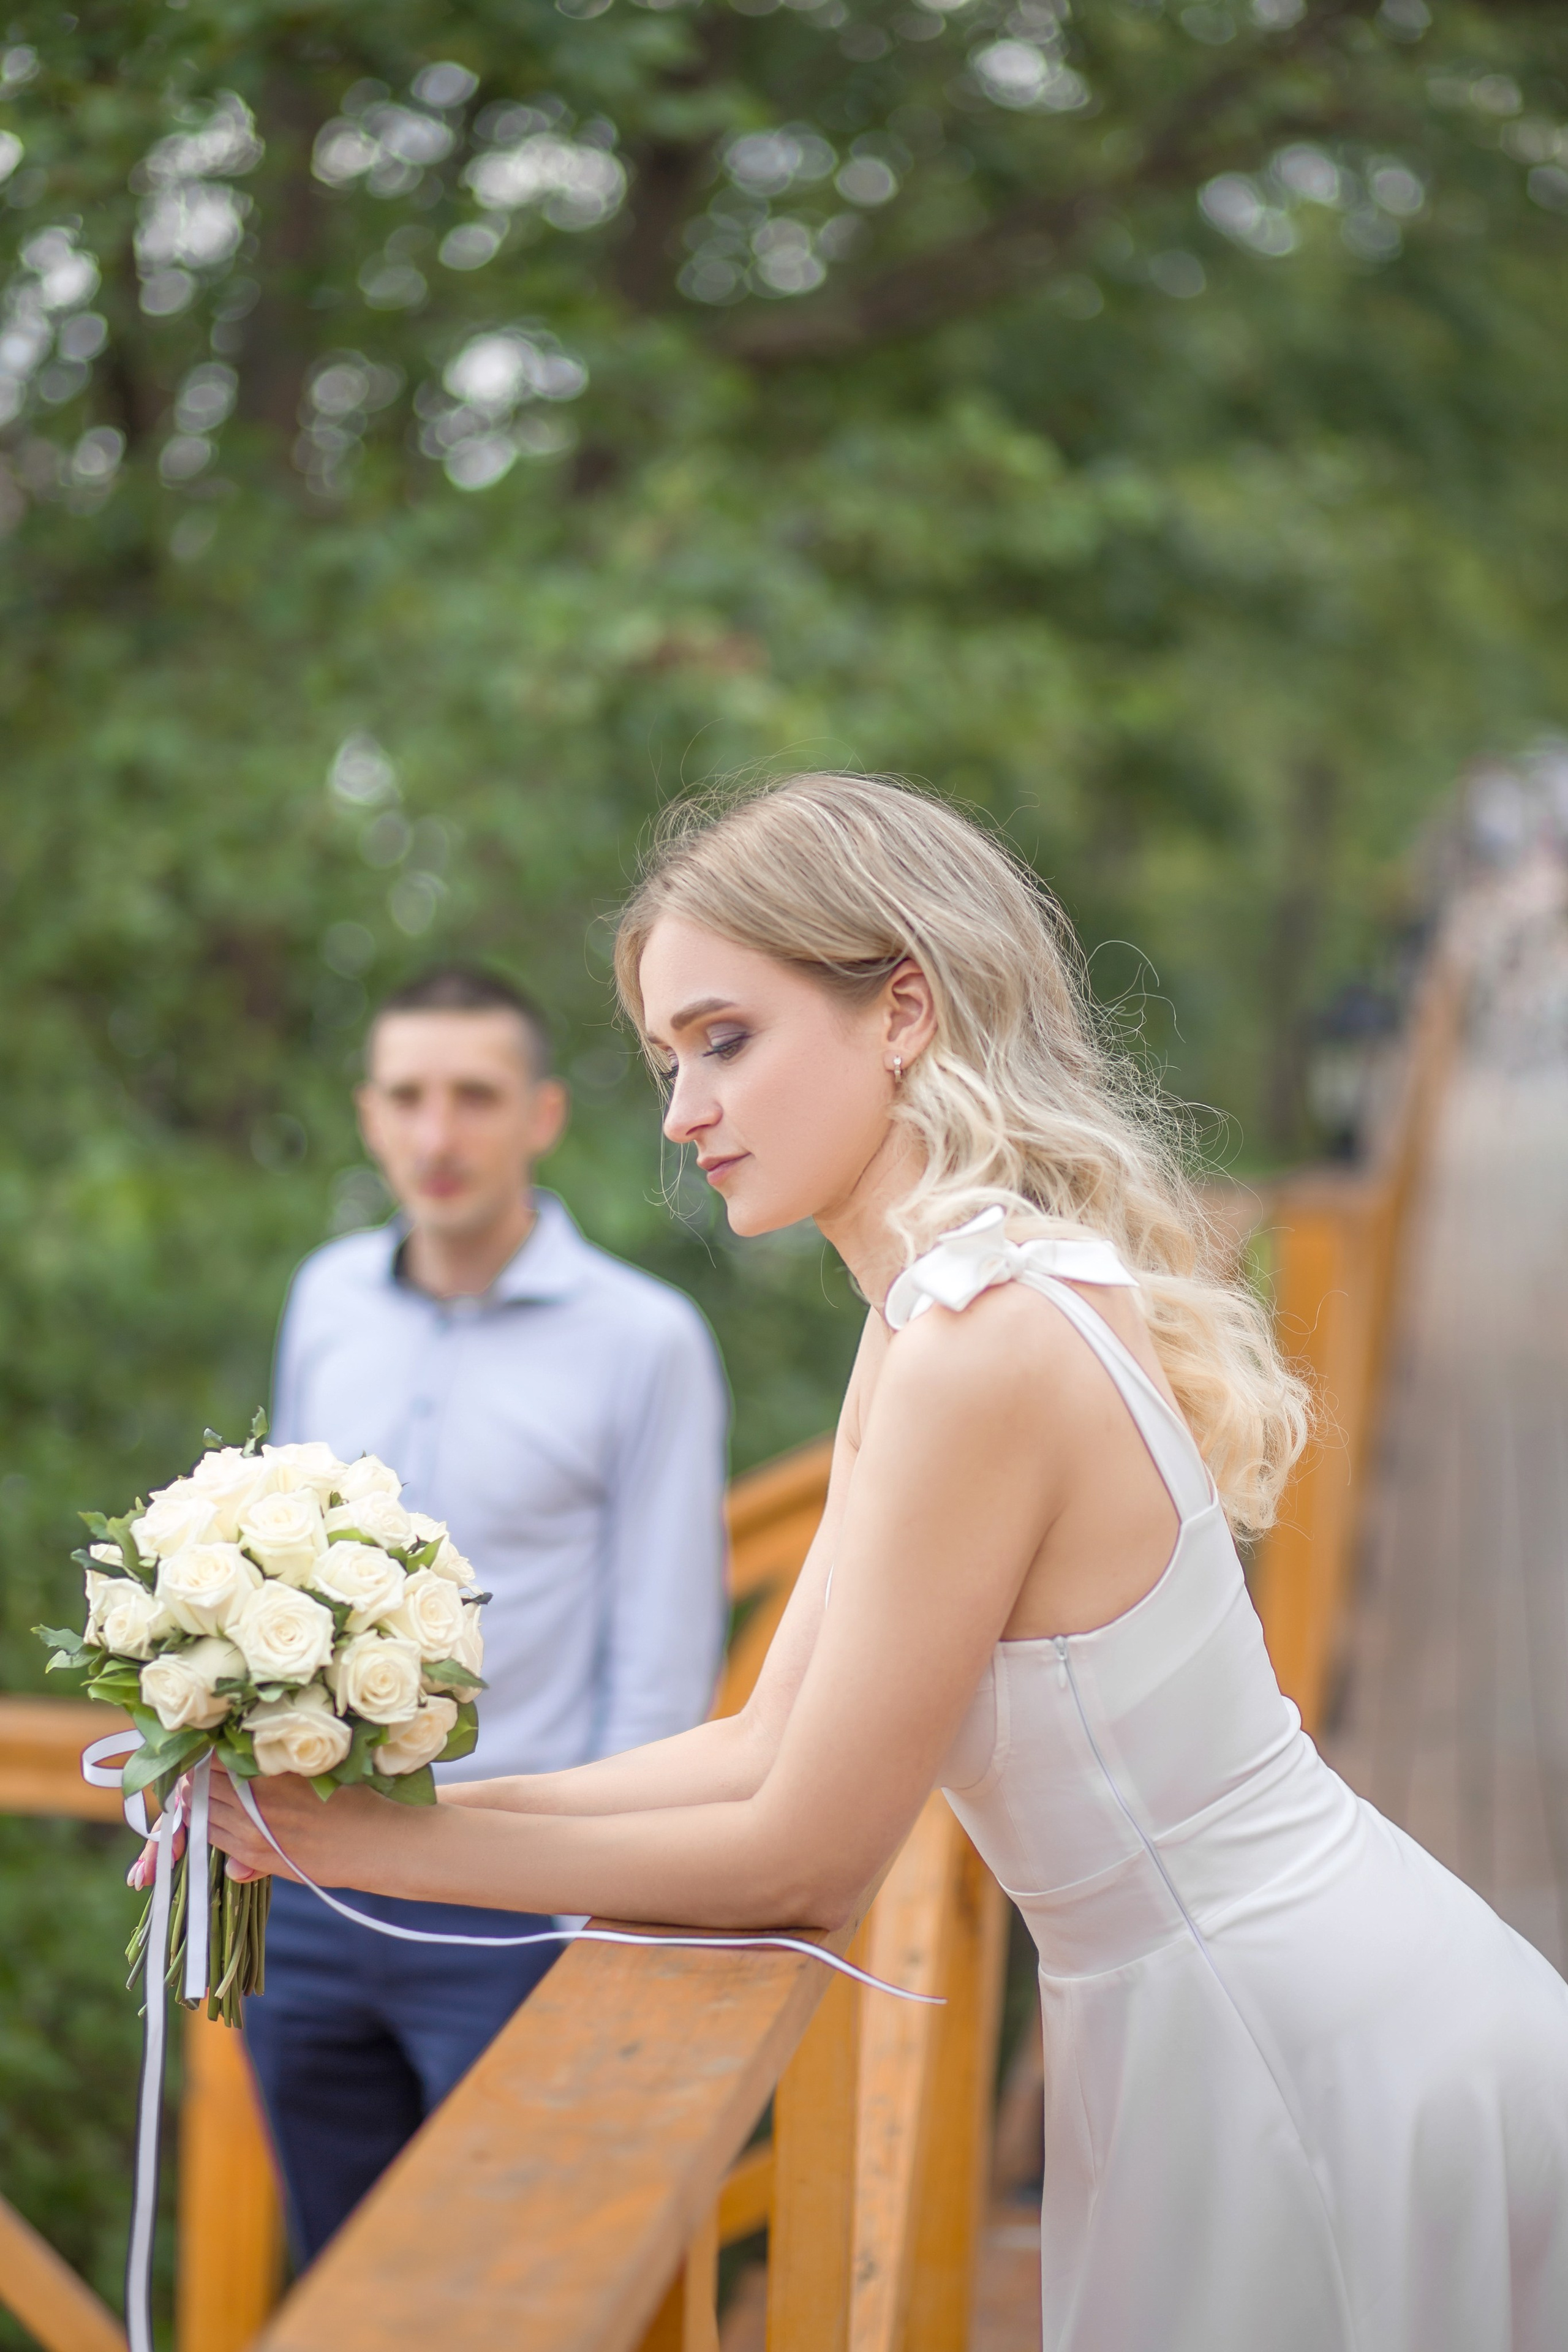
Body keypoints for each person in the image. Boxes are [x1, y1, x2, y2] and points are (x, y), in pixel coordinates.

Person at [212, 778, 1568, 2348]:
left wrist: (352, 1854)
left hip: (1294, 2038)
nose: (679, 1111)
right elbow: (757, 1744)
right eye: (667, 1061)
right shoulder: (935, 1304)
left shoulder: (976, 1348)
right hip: (1210, 2009)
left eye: (724, 1040)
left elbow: (800, 1856)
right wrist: (373, 1812)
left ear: (899, 1011)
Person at [242, 965, 729, 2263]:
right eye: (407, 1096)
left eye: (474, 1096)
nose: (436, 1134)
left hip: (518, 1906)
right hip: (315, 1883)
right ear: (366, 1113)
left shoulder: (647, 1340)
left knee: (520, 2273)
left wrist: (598, 1927)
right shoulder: (325, 1300)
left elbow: (664, 1657)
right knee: (340, 2273)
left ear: (543, 1117)